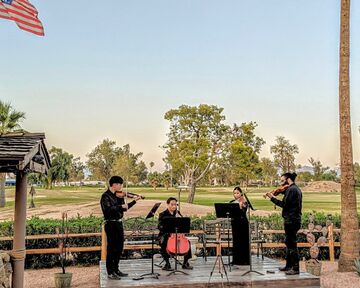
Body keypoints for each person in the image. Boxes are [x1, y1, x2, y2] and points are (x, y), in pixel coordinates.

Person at [100, 176, 142, 280]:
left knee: (119, 248)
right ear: (114, 184)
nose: (121, 186)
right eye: (120, 184)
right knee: (111, 248)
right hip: (110, 224)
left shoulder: (119, 196)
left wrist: (135, 201)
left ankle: (116, 269)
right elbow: (108, 210)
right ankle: (110, 272)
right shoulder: (105, 196)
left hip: (119, 224)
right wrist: (120, 207)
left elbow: (125, 208)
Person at [266, 172, 302, 275]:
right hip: (293, 220)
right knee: (289, 242)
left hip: (291, 220)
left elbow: (284, 205)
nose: (281, 183)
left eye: (282, 180)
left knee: (291, 244)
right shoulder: (293, 189)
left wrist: (272, 198)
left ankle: (295, 268)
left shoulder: (291, 190)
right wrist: (278, 192)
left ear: (288, 179)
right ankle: (288, 266)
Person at [158, 197, 193, 271]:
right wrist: (166, 227)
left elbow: (183, 225)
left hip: (177, 235)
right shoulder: (162, 214)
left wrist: (180, 218)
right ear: (167, 204)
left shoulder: (178, 213)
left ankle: (185, 263)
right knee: (164, 243)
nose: (174, 206)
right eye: (172, 204)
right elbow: (159, 226)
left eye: (175, 205)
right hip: (165, 235)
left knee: (188, 243)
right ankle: (167, 264)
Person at [229, 186, 250, 265]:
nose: (236, 195)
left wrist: (241, 206)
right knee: (236, 242)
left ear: (241, 193)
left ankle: (244, 260)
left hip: (243, 224)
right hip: (235, 224)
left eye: (237, 193)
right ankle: (236, 260)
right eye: (234, 193)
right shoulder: (232, 202)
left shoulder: (244, 202)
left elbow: (243, 212)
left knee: (243, 242)